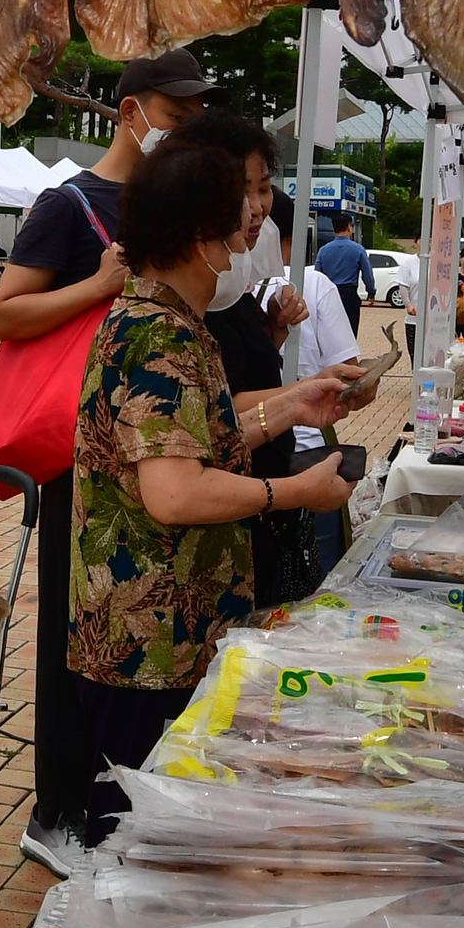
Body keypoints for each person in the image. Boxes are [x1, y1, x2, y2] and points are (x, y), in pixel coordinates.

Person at [71, 138, 354, 844]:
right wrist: (295, 492)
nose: (253, 230)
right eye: (242, 218)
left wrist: (294, 405)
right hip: (147, 650)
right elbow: (175, 494)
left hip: (176, 635)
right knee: (142, 849)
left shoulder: (173, 325)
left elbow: (200, 436)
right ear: (203, 239)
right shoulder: (153, 337)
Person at [0, 48, 222, 880]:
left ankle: (116, 797)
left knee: (131, 634)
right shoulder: (70, 202)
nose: (185, 126)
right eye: (174, 111)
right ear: (130, 111)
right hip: (81, 454)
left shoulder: (180, 201)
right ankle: (57, 810)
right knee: (74, 629)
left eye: (194, 114)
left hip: (158, 452)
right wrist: (95, 288)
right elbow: (5, 314)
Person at [175, 112, 325, 606]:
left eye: (264, 189)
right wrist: (297, 490)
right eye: (245, 191)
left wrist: (296, 385)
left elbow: (220, 425)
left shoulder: (225, 293)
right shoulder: (165, 327)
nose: (257, 211)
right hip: (176, 606)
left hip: (237, 538)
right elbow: (179, 487)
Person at [262, 187, 379, 576]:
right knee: (316, 596)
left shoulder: (221, 293)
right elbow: (349, 376)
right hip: (306, 461)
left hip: (246, 472)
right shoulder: (314, 284)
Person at [313, 213, 375, 337]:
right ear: (349, 227)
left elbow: (317, 275)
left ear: (334, 228)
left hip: (328, 295)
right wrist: (371, 292)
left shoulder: (324, 250)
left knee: (329, 333)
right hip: (349, 295)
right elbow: (367, 274)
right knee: (350, 333)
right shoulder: (358, 249)